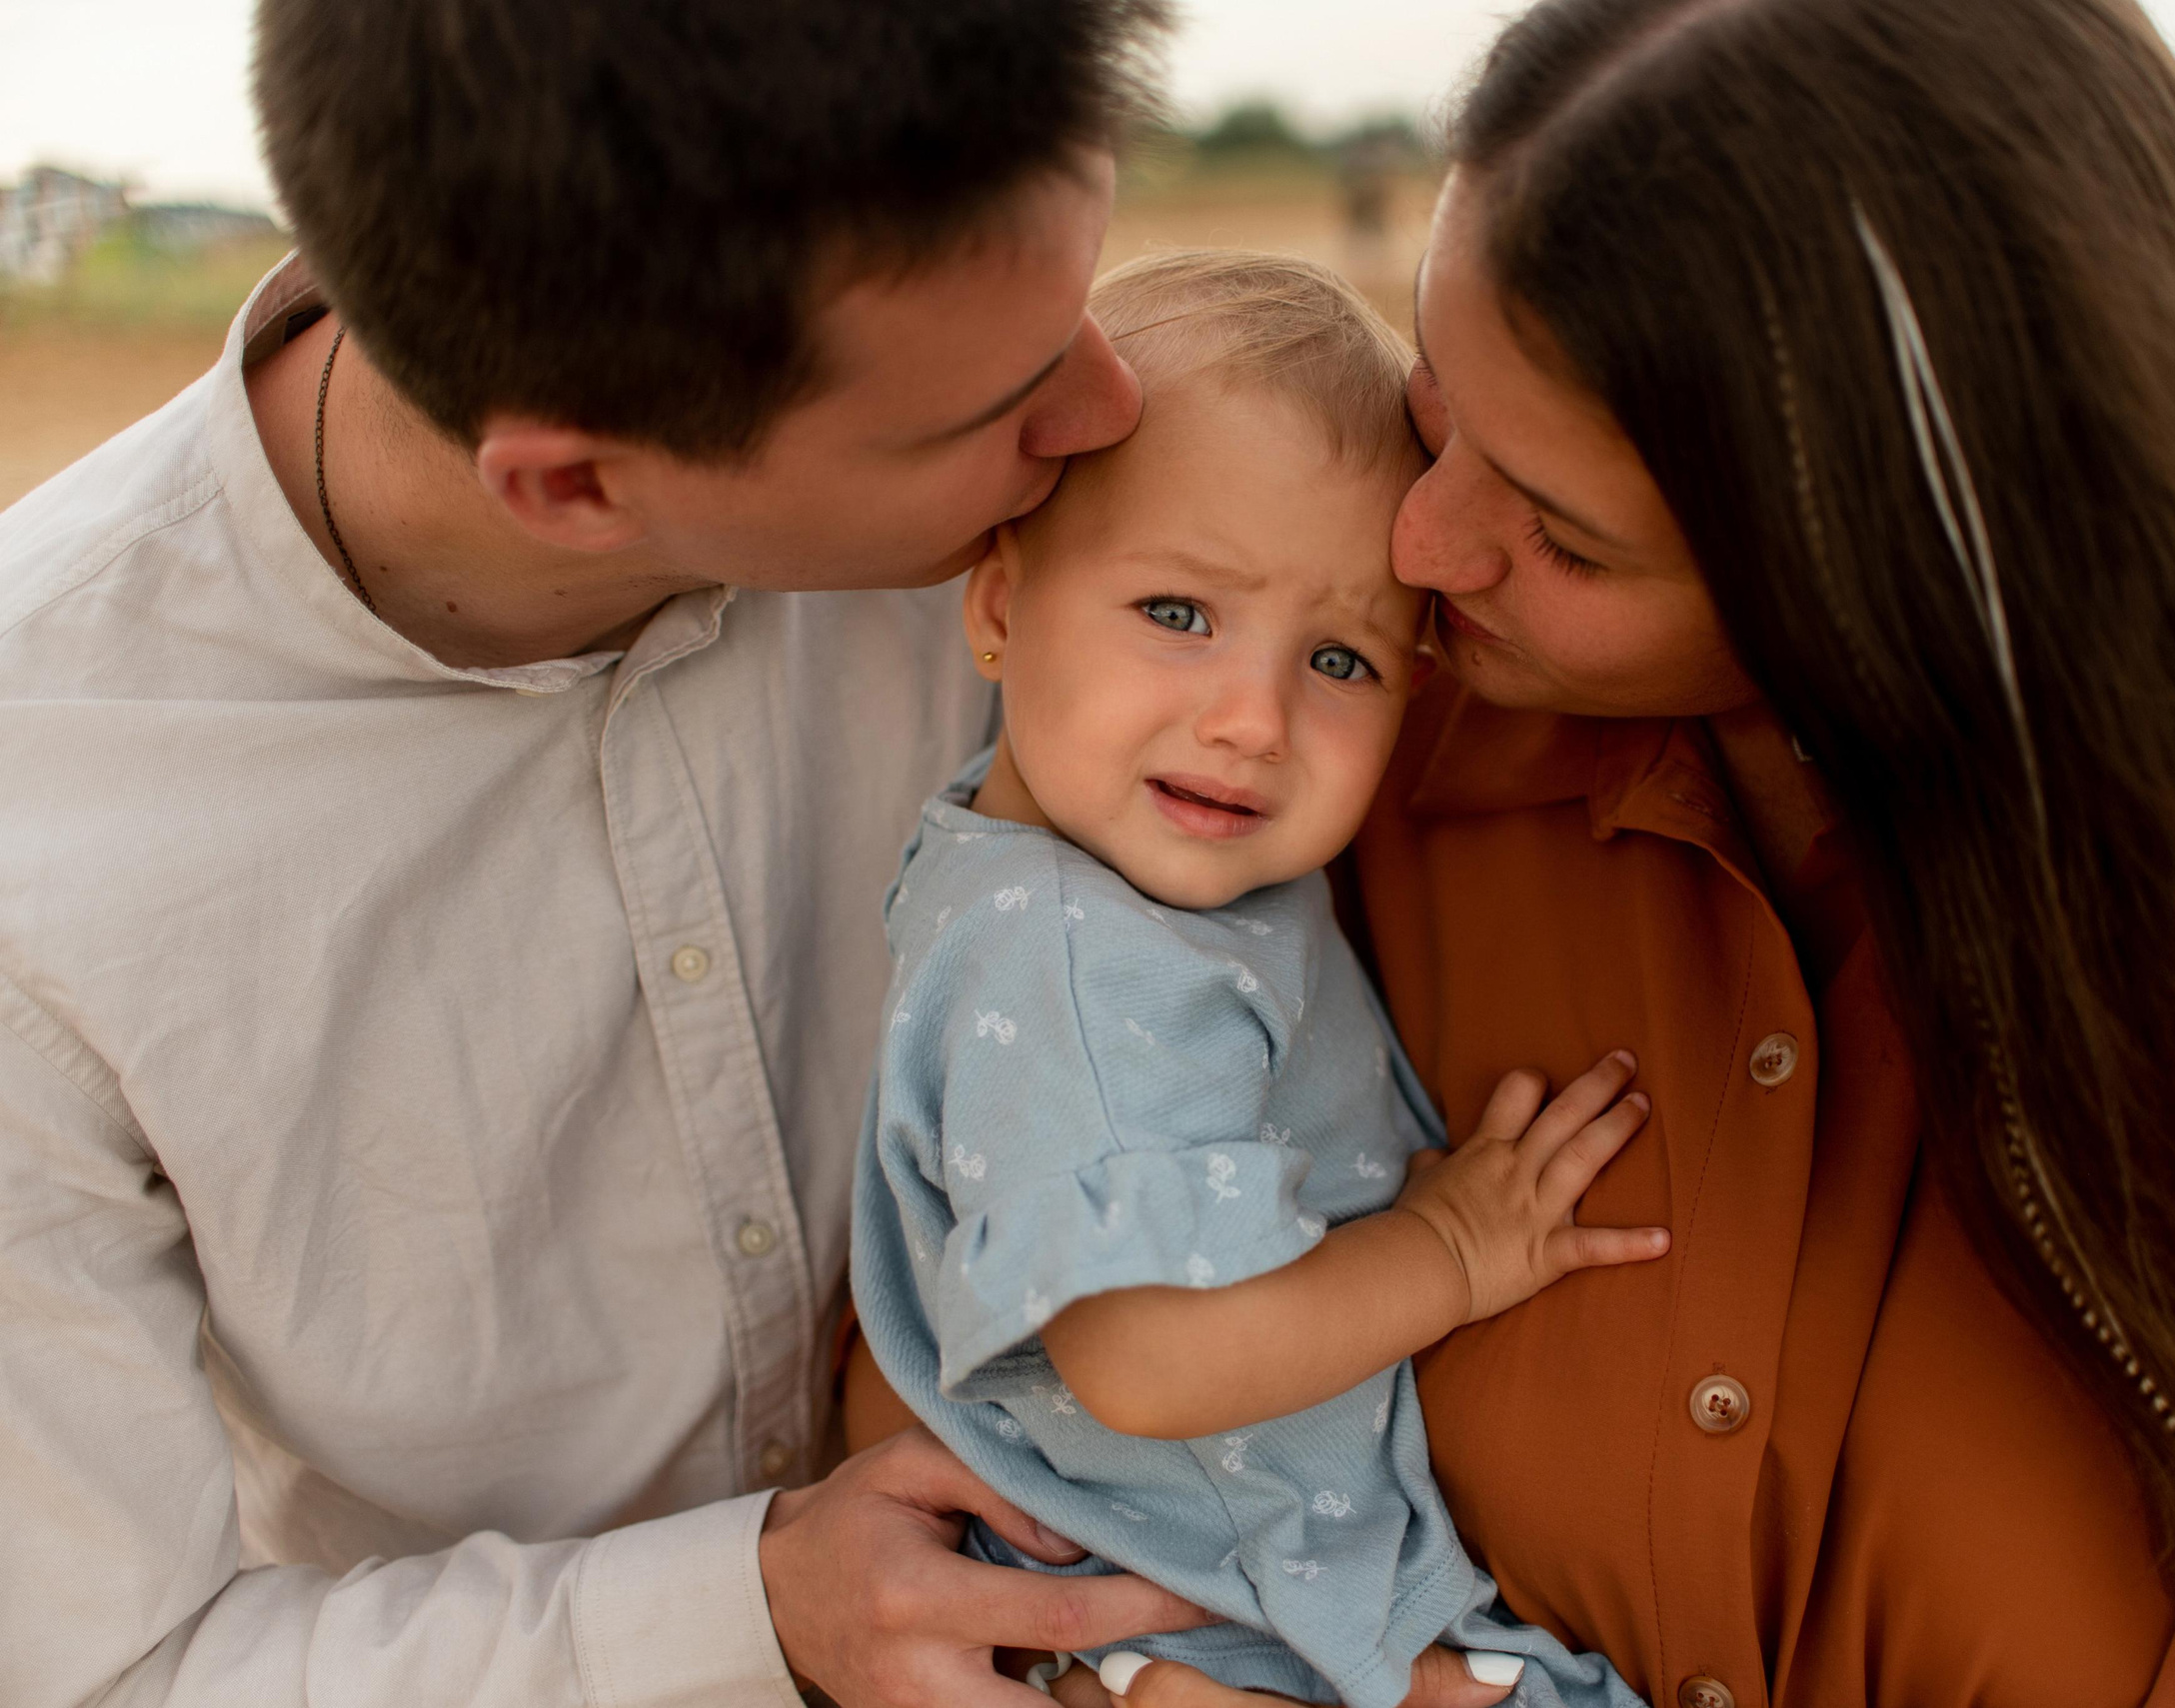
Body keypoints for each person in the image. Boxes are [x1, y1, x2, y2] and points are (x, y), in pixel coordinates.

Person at [910, 0, 2175, 1705]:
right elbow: (981, 1314)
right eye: (1432, 402)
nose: (1423, 541)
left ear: (1883, 582)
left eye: (1559, 534)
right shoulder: (1303, 764)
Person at [0, 4, 1367, 1705]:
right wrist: (757, 1612)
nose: (1105, 408)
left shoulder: (1064, 513)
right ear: (573, 485)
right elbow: (111, 1669)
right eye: (997, 403)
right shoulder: (32, 844)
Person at [852, 251, 1657, 1708]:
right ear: (995, 608)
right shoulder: (1082, 959)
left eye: (1343, 659)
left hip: (1226, 1582)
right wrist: (1452, 1254)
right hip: (1219, 1615)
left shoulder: (1074, 852)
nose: (1251, 719)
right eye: (1177, 613)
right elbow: (1147, 1358)